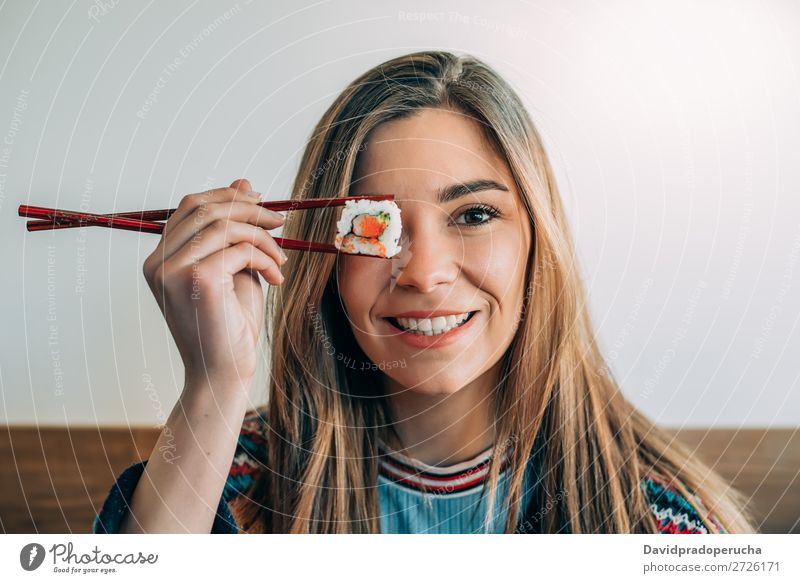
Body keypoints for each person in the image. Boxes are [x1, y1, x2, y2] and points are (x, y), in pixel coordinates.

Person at [93, 50, 757, 534]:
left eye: (473, 215)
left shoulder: (657, 519)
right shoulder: (242, 481)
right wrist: (213, 383)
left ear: (536, 242)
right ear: (324, 260)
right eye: (378, 227)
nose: (424, 271)